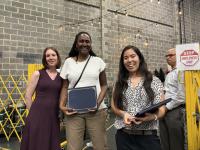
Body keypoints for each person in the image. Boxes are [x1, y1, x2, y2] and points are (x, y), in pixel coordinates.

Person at [59, 31, 108, 150]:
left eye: (87, 41)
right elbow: (65, 87)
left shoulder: (98, 61)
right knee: (73, 147)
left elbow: (104, 85)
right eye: (81, 41)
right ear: (76, 44)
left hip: (96, 111)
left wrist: (97, 103)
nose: (84, 44)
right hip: (74, 111)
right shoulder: (68, 62)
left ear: (90, 44)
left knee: (100, 146)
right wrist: (61, 105)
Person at [111, 45, 166, 150]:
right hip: (124, 137)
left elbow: (162, 110)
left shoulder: (154, 81)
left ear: (139, 58)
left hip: (148, 138)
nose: (129, 60)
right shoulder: (119, 82)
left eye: (133, 56)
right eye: (125, 58)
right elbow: (114, 107)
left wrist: (150, 117)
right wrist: (124, 114)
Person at [20, 47, 63, 150]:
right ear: (44, 58)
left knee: (50, 142)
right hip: (37, 115)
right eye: (47, 55)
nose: (50, 57)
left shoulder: (62, 76)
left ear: (57, 57)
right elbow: (28, 95)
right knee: (37, 143)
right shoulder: (37, 74)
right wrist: (33, 114)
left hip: (53, 116)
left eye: (53, 55)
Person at [159, 48, 185, 150]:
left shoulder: (181, 71)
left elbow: (181, 95)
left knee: (176, 143)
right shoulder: (170, 73)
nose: (168, 57)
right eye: (167, 56)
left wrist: (166, 108)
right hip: (164, 109)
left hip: (175, 110)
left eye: (171, 55)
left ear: (178, 56)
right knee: (165, 142)